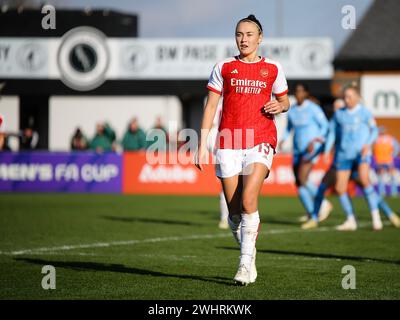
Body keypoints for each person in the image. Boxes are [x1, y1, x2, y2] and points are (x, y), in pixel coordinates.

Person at [195, 14, 290, 285]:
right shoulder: (224, 66)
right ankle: (250, 251)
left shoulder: (273, 68)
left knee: (249, 200)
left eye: (249, 34)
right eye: (239, 34)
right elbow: (211, 106)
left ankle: (244, 264)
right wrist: (202, 143)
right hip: (227, 141)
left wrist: (280, 106)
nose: (243, 39)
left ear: (260, 38)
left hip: (260, 138)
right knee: (234, 213)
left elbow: (285, 101)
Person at [327, 85, 383, 231]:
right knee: (340, 188)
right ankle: (351, 220)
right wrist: (328, 150)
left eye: (350, 96)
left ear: (357, 97)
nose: (347, 99)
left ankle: (376, 218)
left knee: (364, 180)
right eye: (345, 97)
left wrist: (368, 145)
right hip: (344, 154)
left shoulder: (364, 113)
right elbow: (332, 132)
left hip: (361, 154)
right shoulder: (340, 114)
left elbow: (374, 131)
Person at [279, 83, 331, 230]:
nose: (299, 94)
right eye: (296, 91)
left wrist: (316, 141)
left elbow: (325, 127)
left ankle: (324, 204)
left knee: (302, 178)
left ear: (307, 93)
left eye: (302, 91)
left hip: (311, 149)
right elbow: (289, 128)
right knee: (298, 183)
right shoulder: (293, 110)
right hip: (297, 149)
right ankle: (311, 213)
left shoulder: (313, 109)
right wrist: (283, 138)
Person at [373, 127, 399, 197]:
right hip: (387, 160)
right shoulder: (390, 139)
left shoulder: (376, 139)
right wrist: (392, 155)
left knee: (381, 177)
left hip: (380, 160)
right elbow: (397, 148)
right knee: (391, 176)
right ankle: (394, 192)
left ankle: (382, 192)